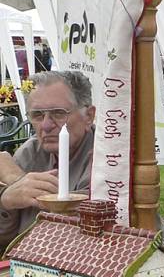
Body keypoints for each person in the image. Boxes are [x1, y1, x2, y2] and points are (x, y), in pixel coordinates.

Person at [0, 70, 95, 249]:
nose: (46, 125)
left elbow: (81, 233)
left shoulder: (109, 160)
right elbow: (5, 241)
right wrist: (5, 200)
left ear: (88, 116)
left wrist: (15, 179)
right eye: (37, 115)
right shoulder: (29, 153)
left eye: (59, 113)